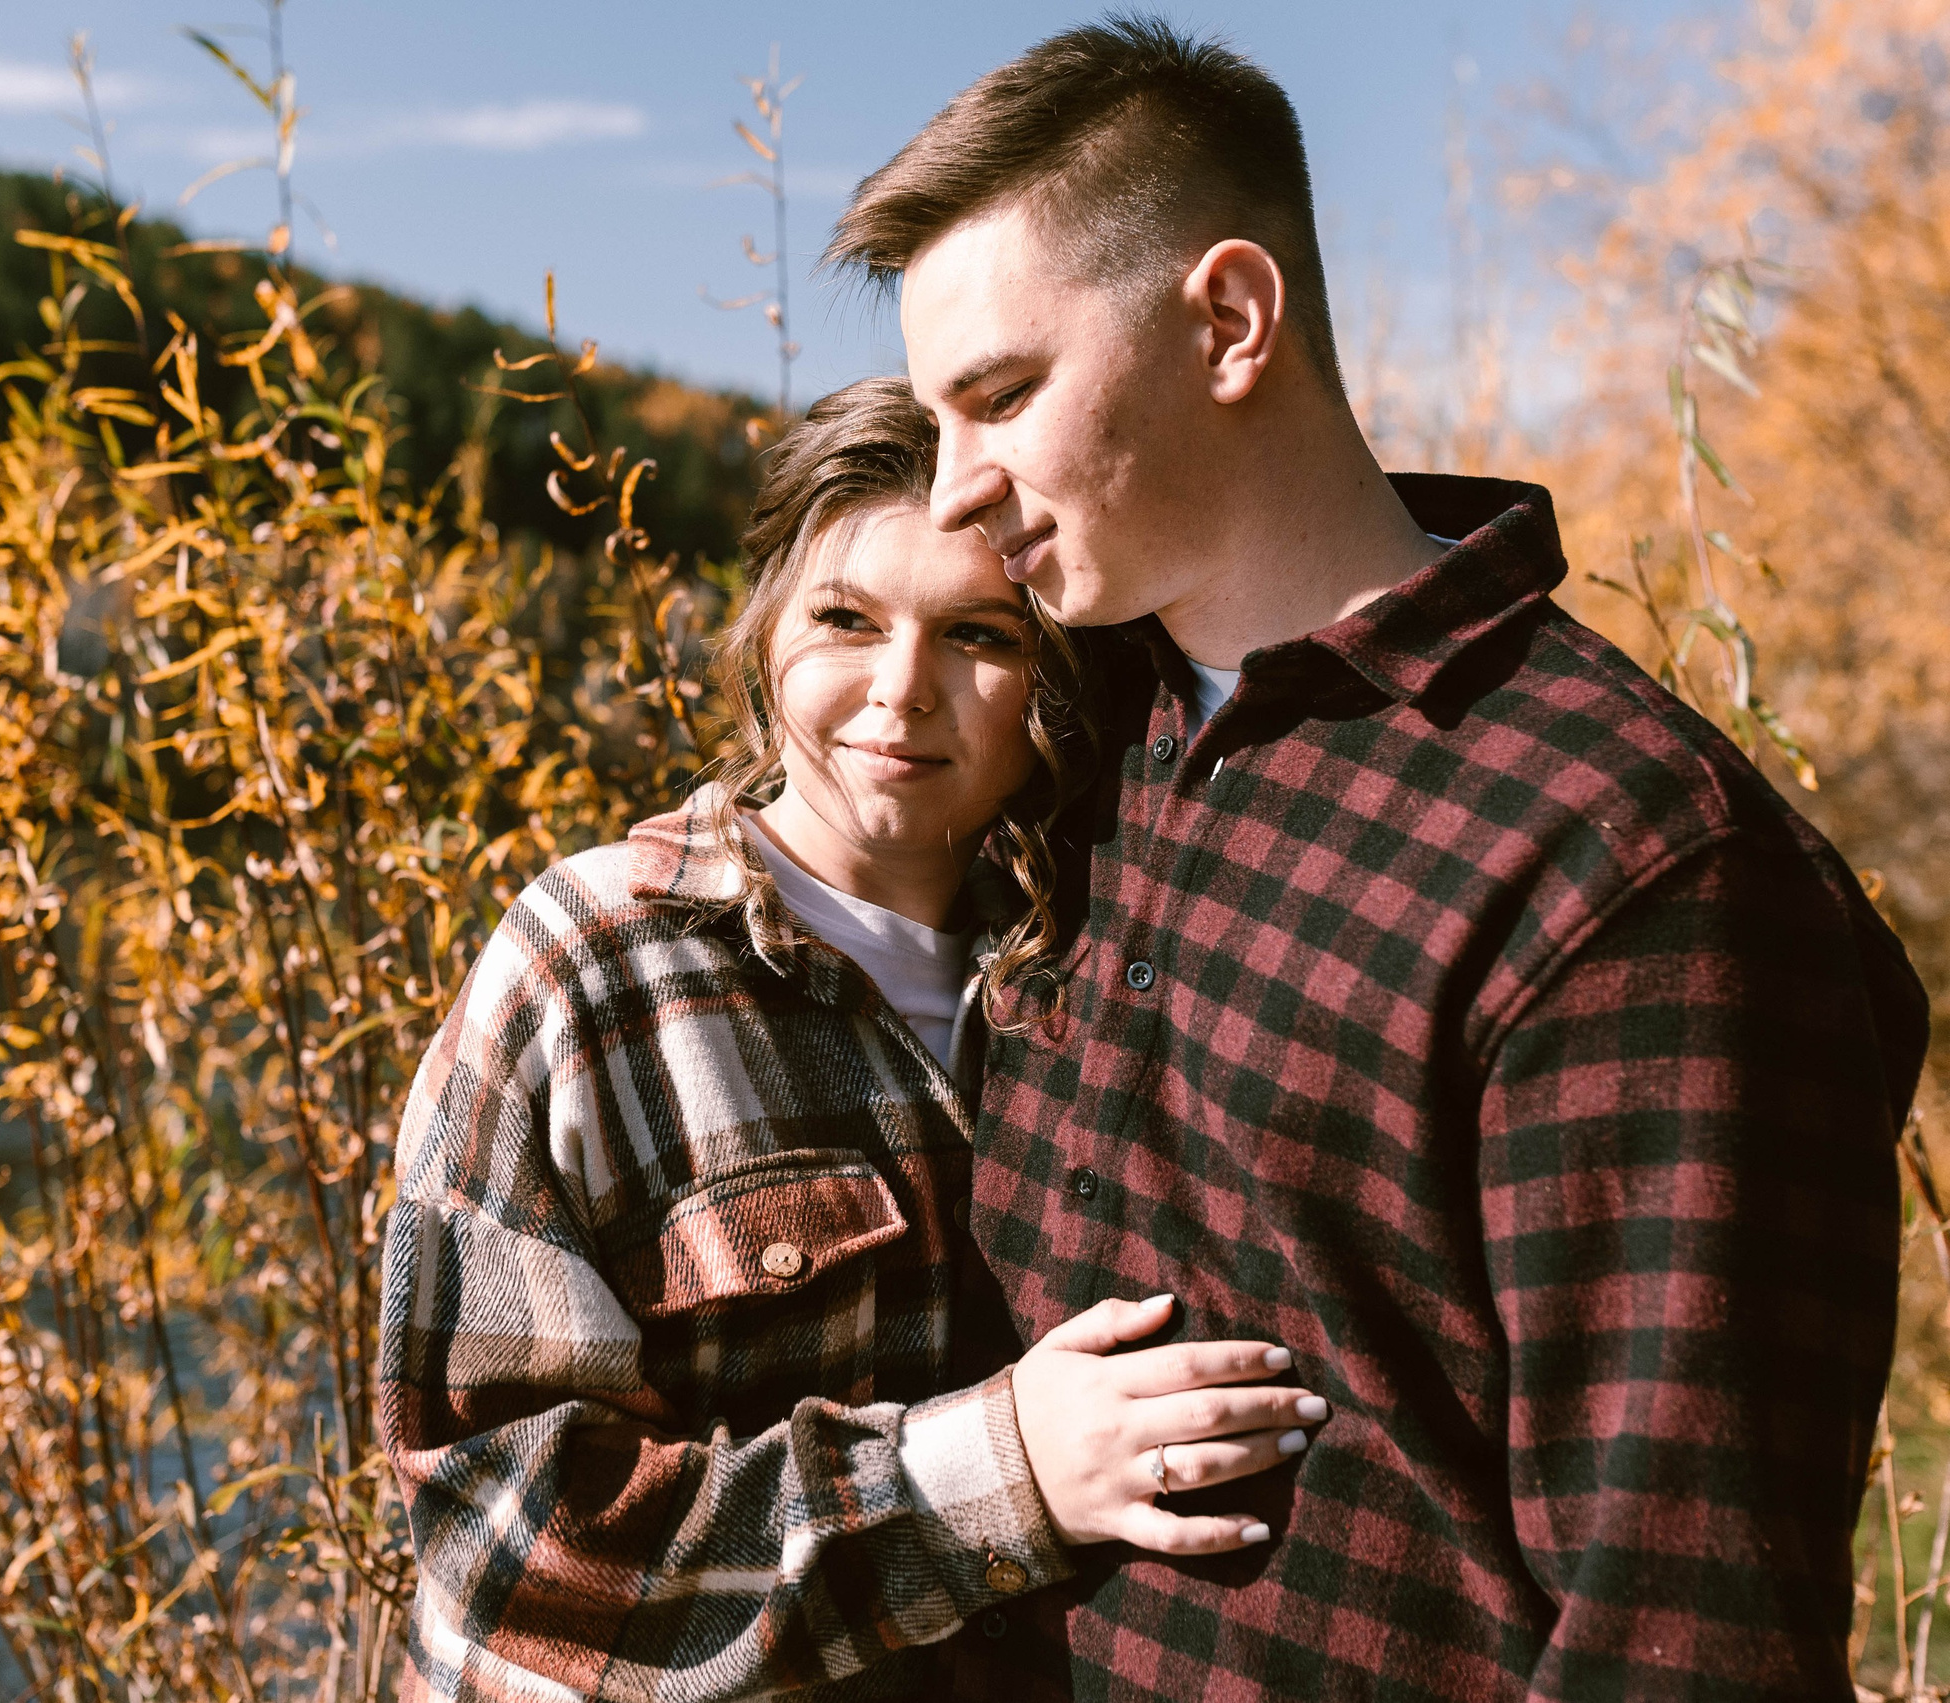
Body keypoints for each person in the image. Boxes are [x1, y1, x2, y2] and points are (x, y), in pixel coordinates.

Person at [826, 15, 1932, 1701]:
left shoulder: (1632, 866)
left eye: (1003, 396)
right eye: (936, 417)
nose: (958, 489)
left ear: (1228, 319)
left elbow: (1687, 1633)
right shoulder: (1064, 739)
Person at [378, 378, 1333, 1703]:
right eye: (843, 619)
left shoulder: (1093, 972)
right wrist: (1003, 1476)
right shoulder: (592, 965)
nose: (901, 691)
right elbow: (506, 1532)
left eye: (980, 636)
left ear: (1054, 684)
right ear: (768, 632)